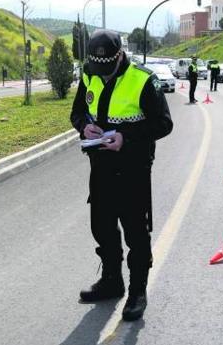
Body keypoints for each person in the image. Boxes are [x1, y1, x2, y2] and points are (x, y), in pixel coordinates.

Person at [70, 29, 173, 321]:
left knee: (135, 232)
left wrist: (126, 138)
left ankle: (137, 292)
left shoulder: (143, 79)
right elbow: (78, 111)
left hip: (133, 168)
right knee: (102, 226)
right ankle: (112, 281)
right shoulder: (90, 73)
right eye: (97, 69)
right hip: (100, 164)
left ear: (120, 57)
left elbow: (164, 124)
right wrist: (83, 127)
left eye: (107, 68)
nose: (101, 75)